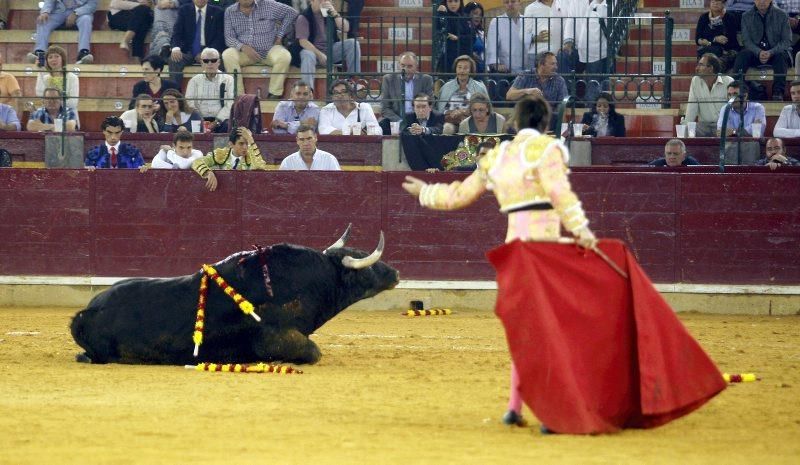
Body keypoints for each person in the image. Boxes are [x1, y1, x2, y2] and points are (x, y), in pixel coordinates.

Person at [402, 95, 725, 434]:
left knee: (526, 331)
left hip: (516, 253)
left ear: (514, 122)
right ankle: (553, 413)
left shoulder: (496, 157)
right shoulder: (547, 149)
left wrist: (426, 192)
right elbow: (560, 195)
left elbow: (458, 197)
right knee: (557, 333)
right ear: (545, 123)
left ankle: (514, 407)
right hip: (546, 251)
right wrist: (583, 232)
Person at [222, 0, 298, 99]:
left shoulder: (268, 4)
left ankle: (274, 93)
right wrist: (243, 47)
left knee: (285, 56)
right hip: (244, 53)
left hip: (269, 50)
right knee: (227, 55)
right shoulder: (230, 11)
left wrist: (280, 35)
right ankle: (239, 95)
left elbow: (292, 13)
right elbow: (229, 38)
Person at [732, 0, 791, 101]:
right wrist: (759, 52)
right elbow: (746, 41)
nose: (762, 2)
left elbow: (786, 41)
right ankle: (738, 89)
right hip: (755, 52)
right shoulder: (746, 16)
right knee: (742, 55)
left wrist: (770, 52)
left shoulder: (782, 15)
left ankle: (778, 92)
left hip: (775, 52)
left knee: (781, 56)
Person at [295, 0, 361, 88]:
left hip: (330, 49)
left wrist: (335, 14)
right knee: (307, 54)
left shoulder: (327, 13)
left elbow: (346, 28)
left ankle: (352, 81)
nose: (324, 2)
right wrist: (319, 55)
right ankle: (308, 90)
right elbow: (303, 42)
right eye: (320, 0)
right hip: (313, 52)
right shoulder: (304, 17)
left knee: (353, 44)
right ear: (312, 1)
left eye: (326, 0)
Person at [168, 0, 227, 88]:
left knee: (219, 59)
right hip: (188, 50)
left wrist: (207, 52)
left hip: (209, 49)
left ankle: (221, 94)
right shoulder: (184, 10)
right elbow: (177, 32)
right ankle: (175, 95)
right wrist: (176, 48)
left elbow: (220, 38)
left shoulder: (218, 12)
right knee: (174, 59)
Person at [191, 127, 269, 191]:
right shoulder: (221, 154)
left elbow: (260, 166)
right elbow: (196, 162)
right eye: (241, 143)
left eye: (247, 143)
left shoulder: (251, 156)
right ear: (231, 144)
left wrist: (250, 140)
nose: (245, 147)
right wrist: (207, 172)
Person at [561, 0, 609, 104]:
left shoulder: (606, 3)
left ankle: (592, 109)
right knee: (573, 77)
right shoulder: (576, 2)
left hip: (596, 49)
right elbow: (570, 20)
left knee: (593, 82)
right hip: (577, 45)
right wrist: (568, 40)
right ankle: (572, 103)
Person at [507, 51, 568, 130]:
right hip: (526, 115)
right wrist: (527, 91)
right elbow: (509, 95)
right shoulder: (525, 75)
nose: (556, 67)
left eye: (556, 64)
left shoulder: (559, 80)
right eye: (552, 64)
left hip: (548, 118)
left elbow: (562, 105)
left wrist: (562, 130)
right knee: (511, 125)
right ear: (541, 64)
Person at [378, 52, 434, 135]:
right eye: (403, 65)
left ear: (416, 66)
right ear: (398, 65)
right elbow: (385, 108)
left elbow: (431, 103)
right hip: (397, 118)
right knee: (382, 124)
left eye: (409, 66)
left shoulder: (426, 79)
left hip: (418, 118)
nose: (405, 69)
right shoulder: (388, 79)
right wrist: (400, 121)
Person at [26, 0, 97, 67]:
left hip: (81, 12)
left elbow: (92, 5)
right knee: (43, 21)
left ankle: (83, 53)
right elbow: (49, 1)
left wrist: (76, 13)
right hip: (59, 11)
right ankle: (40, 53)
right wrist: (45, 12)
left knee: (86, 20)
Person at [185, 47, 234, 133]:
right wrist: (201, 120)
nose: (210, 63)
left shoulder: (229, 79)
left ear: (219, 62)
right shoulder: (194, 80)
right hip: (199, 119)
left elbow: (230, 104)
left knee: (228, 125)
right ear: (201, 63)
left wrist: (216, 122)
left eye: (213, 60)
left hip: (221, 120)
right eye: (206, 61)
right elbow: (189, 102)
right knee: (187, 125)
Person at [437, 55, 489, 134]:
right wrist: (452, 113)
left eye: (465, 68)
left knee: (466, 127)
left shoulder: (479, 87)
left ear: (471, 70)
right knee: (446, 128)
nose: (462, 71)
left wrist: (463, 112)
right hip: (451, 121)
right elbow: (439, 109)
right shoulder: (446, 87)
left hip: (472, 121)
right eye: (459, 67)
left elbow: (486, 109)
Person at [685, 54, 734, 137]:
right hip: (703, 126)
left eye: (701, 65)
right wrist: (686, 127)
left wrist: (730, 128)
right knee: (688, 130)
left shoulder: (728, 81)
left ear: (710, 68)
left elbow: (734, 108)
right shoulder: (695, 81)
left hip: (722, 125)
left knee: (727, 132)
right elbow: (692, 107)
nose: (697, 68)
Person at [523, 0, 576, 74]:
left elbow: (568, 26)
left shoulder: (563, 5)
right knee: (536, 82)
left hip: (558, 55)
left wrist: (567, 44)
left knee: (560, 83)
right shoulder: (530, 8)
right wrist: (536, 38)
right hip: (537, 54)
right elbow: (523, 35)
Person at [34, 46, 81, 129]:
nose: (53, 59)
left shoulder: (72, 77)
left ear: (63, 59)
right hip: (48, 120)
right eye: (50, 57)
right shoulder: (45, 77)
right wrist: (40, 71)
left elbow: (73, 103)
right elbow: (40, 93)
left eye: (57, 56)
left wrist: (53, 101)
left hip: (68, 119)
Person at [400, 93, 446, 171]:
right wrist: (411, 130)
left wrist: (423, 130)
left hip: (433, 152)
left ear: (430, 107)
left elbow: (438, 129)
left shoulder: (438, 116)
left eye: (424, 107)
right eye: (418, 107)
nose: (421, 110)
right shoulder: (409, 116)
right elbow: (403, 130)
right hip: (417, 155)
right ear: (413, 108)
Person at [695, 0, 741, 71]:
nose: (715, 4)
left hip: (727, 50)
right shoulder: (704, 17)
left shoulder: (730, 17)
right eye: (713, 2)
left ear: (724, 4)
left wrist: (707, 41)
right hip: (710, 50)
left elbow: (727, 40)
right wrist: (715, 39)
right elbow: (698, 39)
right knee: (706, 60)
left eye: (718, 2)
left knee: (715, 64)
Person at [486, 0, 526, 74]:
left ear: (519, 2)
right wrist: (496, 64)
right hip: (505, 70)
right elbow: (492, 45)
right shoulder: (496, 21)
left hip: (526, 69)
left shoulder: (527, 20)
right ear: (503, 4)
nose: (510, 4)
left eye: (513, 1)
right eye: (506, 2)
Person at [435, 0, 473, 74]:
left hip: (464, 56)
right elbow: (441, 29)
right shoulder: (443, 15)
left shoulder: (465, 17)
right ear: (446, 2)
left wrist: (458, 38)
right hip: (448, 57)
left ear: (460, 2)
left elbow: (472, 37)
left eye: (456, 1)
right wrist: (441, 14)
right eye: (450, 1)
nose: (453, 4)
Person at [463, 2, 486, 73]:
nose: (478, 17)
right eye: (475, 13)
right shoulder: (462, 31)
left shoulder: (481, 32)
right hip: (466, 69)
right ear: (467, 14)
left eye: (480, 15)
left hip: (480, 68)